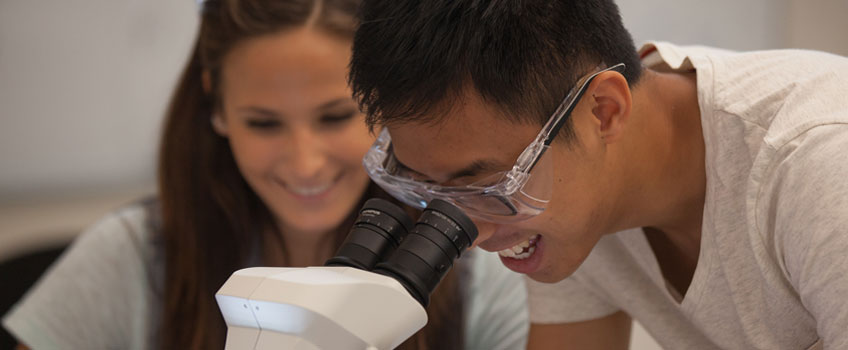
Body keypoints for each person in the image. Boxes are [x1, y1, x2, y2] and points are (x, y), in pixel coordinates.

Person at [2, 0, 529, 349]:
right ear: (217, 106)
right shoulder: (133, 256)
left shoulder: (479, 274)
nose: (305, 162)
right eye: (264, 123)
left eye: (334, 116)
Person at [346, 0, 848, 349]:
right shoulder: (566, 204)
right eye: (432, 191)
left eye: (489, 187)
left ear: (603, 111)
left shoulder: (819, 165)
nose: (477, 233)